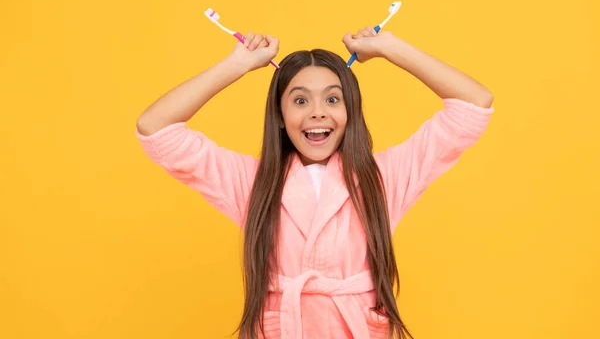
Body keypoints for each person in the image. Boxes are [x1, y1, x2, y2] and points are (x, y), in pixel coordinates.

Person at [135, 27, 495, 339]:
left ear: (350, 110)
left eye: (333, 99)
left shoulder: (383, 178)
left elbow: (473, 105)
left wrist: (390, 48)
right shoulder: (251, 183)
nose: (318, 112)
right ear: (279, 114)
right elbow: (156, 128)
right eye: (300, 100)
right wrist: (237, 65)